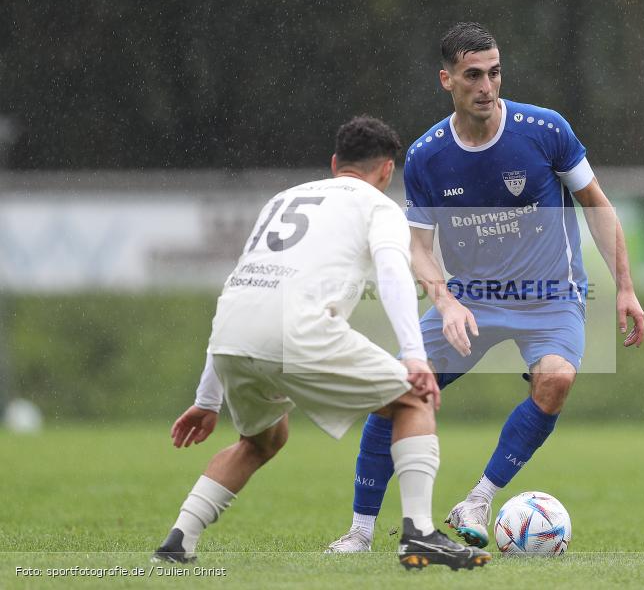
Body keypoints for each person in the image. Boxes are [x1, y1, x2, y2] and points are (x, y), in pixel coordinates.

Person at [327, 23, 644, 553]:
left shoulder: (544, 130)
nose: (487, 86)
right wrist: (446, 301)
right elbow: (418, 246)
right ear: (446, 79)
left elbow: (596, 203)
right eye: (473, 75)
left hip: (551, 294)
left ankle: (478, 498)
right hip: (472, 299)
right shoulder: (429, 155)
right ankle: (360, 531)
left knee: (557, 380)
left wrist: (626, 288)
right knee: (395, 393)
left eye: (494, 72)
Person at [152, 116, 491, 571]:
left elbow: (242, 286)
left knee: (262, 439)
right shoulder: (379, 206)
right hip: (297, 329)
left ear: (335, 163)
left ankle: (178, 541)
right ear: (387, 170)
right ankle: (420, 535)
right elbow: (393, 271)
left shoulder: (283, 198)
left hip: (232, 332)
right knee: (414, 400)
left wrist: (207, 399)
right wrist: (414, 356)